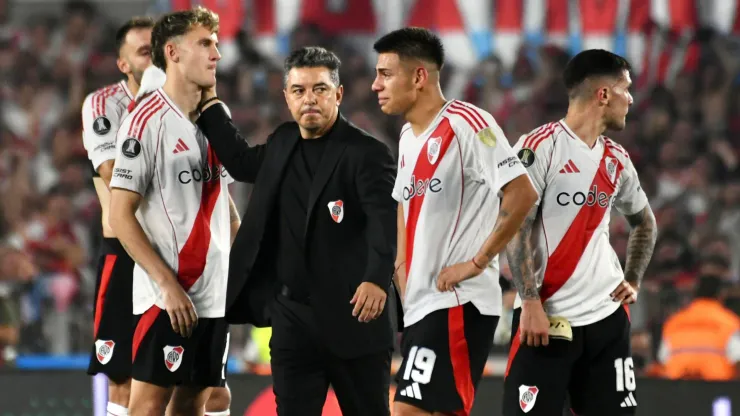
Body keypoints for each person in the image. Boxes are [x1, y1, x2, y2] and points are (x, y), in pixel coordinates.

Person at [195, 46, 397, 415]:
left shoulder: (367, 154)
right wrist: (208, 104)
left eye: (320, 89)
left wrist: (376, 280)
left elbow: (385, 224)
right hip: (292, 321)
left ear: (337, 94)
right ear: (287, 97)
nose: (310, 99)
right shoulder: (283, 141)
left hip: (355, 319)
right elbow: (240, 163)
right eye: (300, 90)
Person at [371, 28, 538, 416]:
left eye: (386, 74)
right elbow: (402, 199)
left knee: (407, 411)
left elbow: (521, 193)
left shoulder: (468, 123)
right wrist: (400, 265)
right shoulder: (408, 136)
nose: (376, 84)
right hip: (421, 302)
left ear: (418, 77)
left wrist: (477, 263)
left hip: (457, 301)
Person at [503, 49, 658, 415]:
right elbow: (514, 226)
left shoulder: (617, 159)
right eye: (626, 88)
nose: (631, 98)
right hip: (546, 319)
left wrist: (632, 277)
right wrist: (529, 301)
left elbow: (644, 223)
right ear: (603, 94)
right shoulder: (537, 147)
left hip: (607, 318)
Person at [108, 7, 236, 415]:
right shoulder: (145, 120)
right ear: (173, 53)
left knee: (192, 407)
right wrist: (166, 285)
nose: (216, 54)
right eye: (205, 44)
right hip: (166, 297)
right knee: (147, 406)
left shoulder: (218, 115)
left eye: (216, 44)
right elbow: (120, 214)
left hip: (213, 294)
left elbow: (223, 202)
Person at [82, 17, 153, 416]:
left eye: (159, 50)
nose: (156, 58)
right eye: (144, 51)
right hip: (125, 251)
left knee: (187, 378)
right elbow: (113, 173)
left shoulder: (189, 105)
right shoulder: (104, 104)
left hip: (176, 253)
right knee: (122, 379)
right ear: (123, 64)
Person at [658, 275, 740, 380]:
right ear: (721, 295)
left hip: (678, 389)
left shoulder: (674, 322)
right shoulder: (730, 322)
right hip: (717, 389)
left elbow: (663, 359)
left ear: (694, 294)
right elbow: (737, 358)